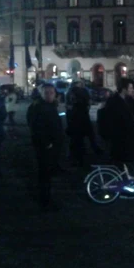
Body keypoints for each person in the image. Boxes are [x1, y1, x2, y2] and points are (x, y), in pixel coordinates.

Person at [27, 83, 64, 211]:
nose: (49, 95)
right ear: (41, 94)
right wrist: (47, 143)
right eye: (46, 93)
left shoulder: (50, 106)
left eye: (51, 93)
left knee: (47, 172)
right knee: (44, 173)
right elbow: (35, 128)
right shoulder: (37, 107)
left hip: (52, 146)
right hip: (44, 146)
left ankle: (46, 197)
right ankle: (45, 200)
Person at [105, 78, 134, 170]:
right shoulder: (113, 101)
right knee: (122, 165)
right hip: (120, 140)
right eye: (130, 88)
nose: (132, 90)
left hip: (129, 139)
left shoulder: (128, 100)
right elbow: (114, 122)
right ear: (124, 89)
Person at [66, 85, 101, 167]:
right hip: (81, 117)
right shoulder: (80, 93)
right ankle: (81, 156)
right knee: (83, 137)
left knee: (77, 139)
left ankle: (76, 156)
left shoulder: (73, 93)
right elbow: (87, 103)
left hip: (77, 118)